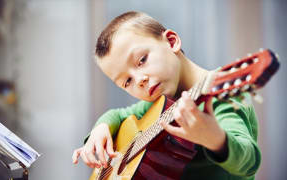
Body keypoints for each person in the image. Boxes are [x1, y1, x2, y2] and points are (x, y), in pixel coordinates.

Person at [72, 11, 261, 179]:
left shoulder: (221, 97)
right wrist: (101, 128)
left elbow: (249, 160)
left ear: (171, 41)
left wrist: (216, 139)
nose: (139, 80)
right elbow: (119, 114)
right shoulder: (158, 103)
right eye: (127, 81)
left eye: (142, 60)